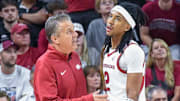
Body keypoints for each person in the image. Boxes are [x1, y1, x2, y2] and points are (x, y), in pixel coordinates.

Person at [34, 14, 108, 101]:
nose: (75, 34)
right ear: (55, 39)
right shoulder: (44, 63)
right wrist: (88, 99)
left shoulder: (74, 56)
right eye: (69, 32)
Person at [100, 2, 146, 101]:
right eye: (110, 16)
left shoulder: (132, 51)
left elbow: (132, 96)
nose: (110, 21)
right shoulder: (106, 49)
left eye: (117, 18)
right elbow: (107, 87)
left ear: (127, 27)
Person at [86, 0, 117, 66]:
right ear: (98, 8)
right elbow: (89, 46)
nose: (107, 4)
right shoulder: (94, 24)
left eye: (110, 2)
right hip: (99, 62)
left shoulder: (122, 23)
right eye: (104, 3)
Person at [0, 36, 31, 101]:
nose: (13, 55)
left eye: (14, 51)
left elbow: (30, 97)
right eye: (8, 52)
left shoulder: (26, 74)